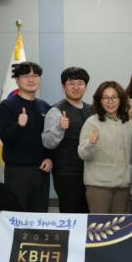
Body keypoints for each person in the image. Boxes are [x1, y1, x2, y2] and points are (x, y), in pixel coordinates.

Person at [0, 61, 52, 212]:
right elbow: (6, 138)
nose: (31, 79)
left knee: (40, 215)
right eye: (26, 76)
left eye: (35, 76)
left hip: (41, 171)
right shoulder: (6, 106)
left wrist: (49, 158)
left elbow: (49, 138)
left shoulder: (45, 106)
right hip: (17, 171)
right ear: (17, 80)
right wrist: (18, 125)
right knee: (18, 215)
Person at [78, 81, 132, 214]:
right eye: (105, 98)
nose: (110, 101)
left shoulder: (129, 121)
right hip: (99, 185)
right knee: (100, 225)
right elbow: (83, 154)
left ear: (121, 99)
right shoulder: (92, 122)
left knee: (121, 225)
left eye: (114, 97)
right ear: (100, 101)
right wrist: (91, 143)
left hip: (124, 184)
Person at [41, 67, 91, 213]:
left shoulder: (92, 109)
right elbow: (47, 143)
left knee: (89, 214)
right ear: (63, 86)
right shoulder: (55, 111)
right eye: (71, 83)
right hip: (67, 174)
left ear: (86, 86)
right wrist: (59, 128)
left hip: (90, 172)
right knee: (71, 213)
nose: (76, 87)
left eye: (80, 83)